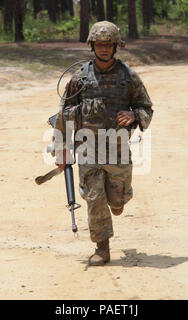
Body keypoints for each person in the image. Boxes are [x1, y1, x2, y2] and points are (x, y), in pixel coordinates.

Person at [53, 21, 153, 266]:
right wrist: (62, 149)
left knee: (117, 201)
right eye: (100, 44)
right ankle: (102, 247)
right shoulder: (80, 78)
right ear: (92, 46)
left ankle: (118, 201)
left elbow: (146, 108)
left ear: (116, 46)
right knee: (93, 196)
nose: (105, 49)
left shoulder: (128, 77)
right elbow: (63, 114)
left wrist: (133, 116)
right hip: (87, 148)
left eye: (109, 44)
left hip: (117, 147)